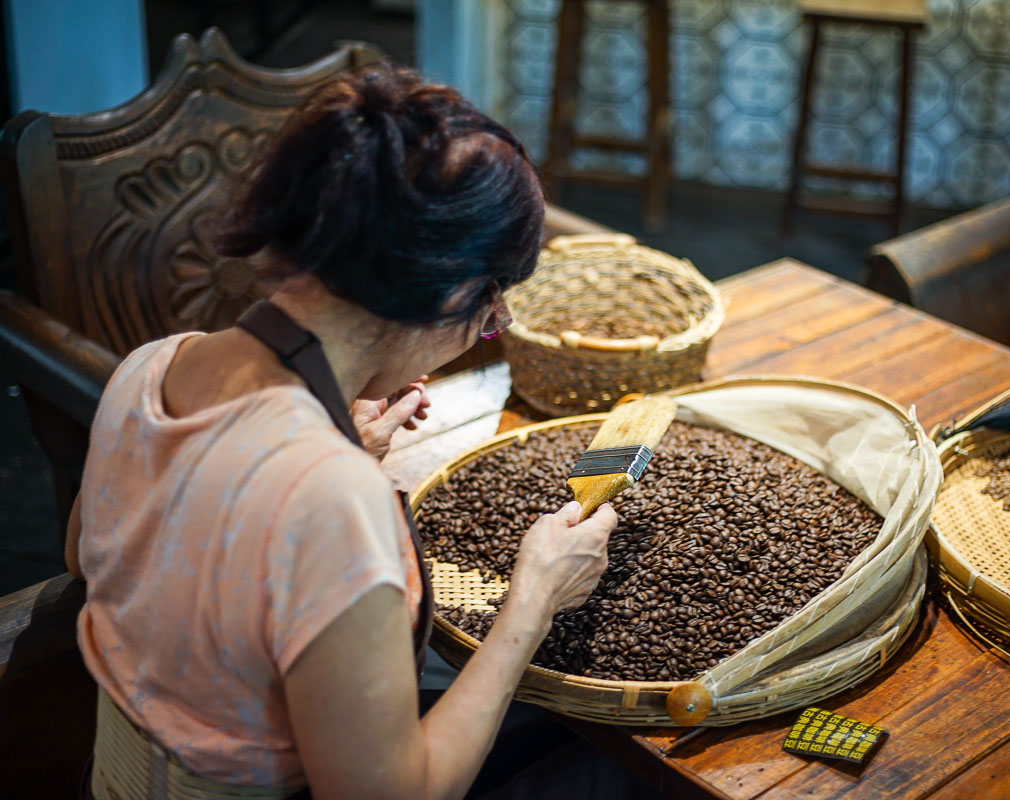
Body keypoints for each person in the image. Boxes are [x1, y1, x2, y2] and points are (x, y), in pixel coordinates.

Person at [65, 66, 620, 800]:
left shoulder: (149, 369)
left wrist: (328, 451)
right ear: (452, 290)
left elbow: (86, 553)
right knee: (605, 770)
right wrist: (534, 603)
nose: (499, 326)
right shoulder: (332, 497)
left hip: (111, 780)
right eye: (491, 309)